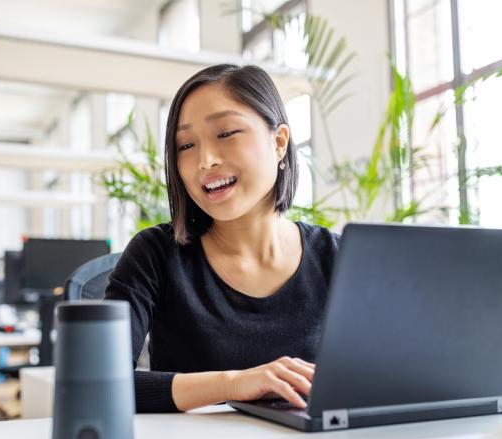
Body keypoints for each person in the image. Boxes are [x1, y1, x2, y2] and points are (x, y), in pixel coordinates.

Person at [105, 64, 340, 413]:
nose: (205, 160)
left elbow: (391, 371)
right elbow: (101, 383)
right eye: (185, 144)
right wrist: (235, 384)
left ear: (278, 142)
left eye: (226, 133)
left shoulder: (337, 257)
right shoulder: (154, 255)